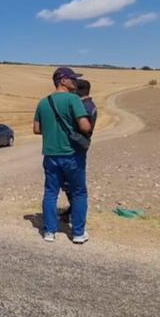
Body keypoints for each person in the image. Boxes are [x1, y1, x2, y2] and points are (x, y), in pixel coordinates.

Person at [33, 67, 92, 243]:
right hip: (72, 154)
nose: (75, 82)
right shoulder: (73, 99)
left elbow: (36, 129)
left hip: (50, 155)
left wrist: (52, 130)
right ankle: (78, 233)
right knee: (79, 193)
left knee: (51, 192)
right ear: (63, 80)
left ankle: (50, 231)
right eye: (72, 79)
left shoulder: (43, 102)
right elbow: (85, 127)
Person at [60, 79, 98, 221]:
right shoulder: (90, 105)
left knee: (71, 183)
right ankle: (73, 209)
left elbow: (81, 126)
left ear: (76, 90)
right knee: (70, 182)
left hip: (74, 147)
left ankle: (75, 212)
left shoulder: (83, 106)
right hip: (80, 145)